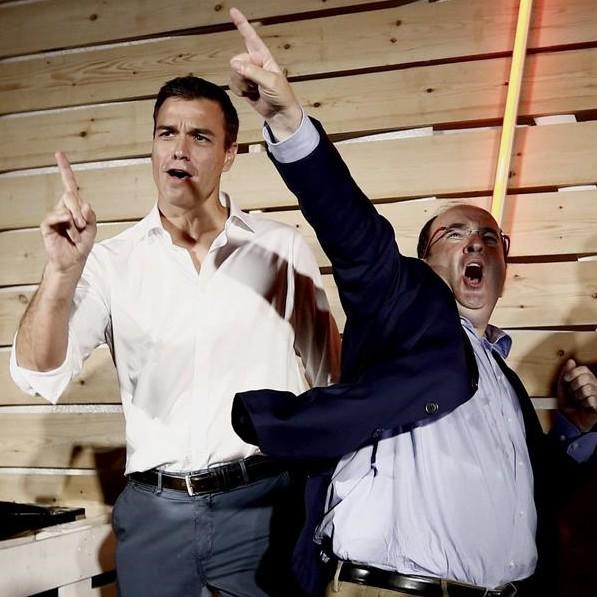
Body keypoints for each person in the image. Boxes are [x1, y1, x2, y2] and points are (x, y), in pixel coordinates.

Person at [226, 8, 597, 597]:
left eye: (490, 238)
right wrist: (289, 121)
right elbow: (355, 235)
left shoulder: (505, 384)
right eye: (455, 234)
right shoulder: (403, 303)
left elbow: (533, 496)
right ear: (423, 262)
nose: (476, 243)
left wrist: (576, 429)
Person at [10, 75, 340, 597]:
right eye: (167, 133)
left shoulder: (282, 249)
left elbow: (331, 381)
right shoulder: (110, 262)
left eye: (199, 137)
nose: (179, 149)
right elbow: (38, 372)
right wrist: (59, 272)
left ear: (230, 153)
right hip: (155, 520)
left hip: (265, 509)